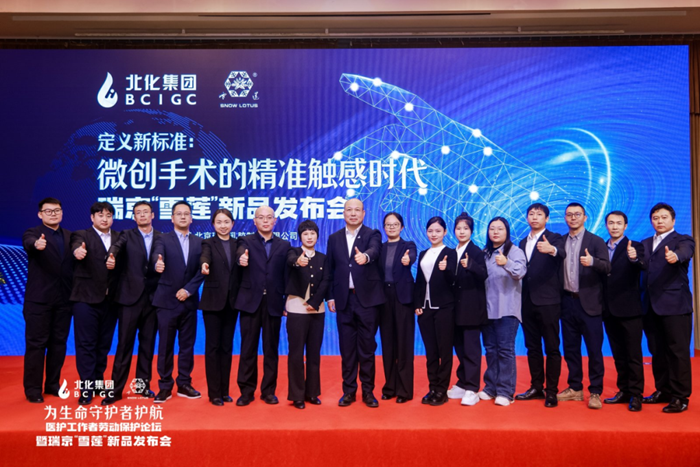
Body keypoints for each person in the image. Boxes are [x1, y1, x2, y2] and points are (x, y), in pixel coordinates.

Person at [326, 198, 384, 408]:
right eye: (349, 210)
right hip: (344, 300)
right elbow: (330, 269)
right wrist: (330, 296)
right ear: (343, 213)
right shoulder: (334, 238)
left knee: (367, 348)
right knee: (347, 349)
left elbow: (375, 250)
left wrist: (366, 257)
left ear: (363, 213)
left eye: (357, 210)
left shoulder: (372, 234)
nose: (353, 213)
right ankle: (349, 391)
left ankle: (368, 392)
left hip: (367, 301)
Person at [102, 201, 161, 406]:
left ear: (152, 215)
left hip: (152, 299)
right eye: (138, 213)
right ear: (134, 217)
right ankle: (116, 390)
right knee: (124, 345)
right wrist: (111, 256)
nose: (142, 215)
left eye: (146, 212)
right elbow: (116, 247)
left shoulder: (162, 237)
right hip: (128, 299)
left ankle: (142, 386)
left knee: (147, 346)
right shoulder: (126, 235)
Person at [641, 202, 695, 413]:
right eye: (655, 218)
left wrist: (676, 256)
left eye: (664, 217)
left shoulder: (683, 240)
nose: (659, 221)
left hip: (675, 306)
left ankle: (680, 397)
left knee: (677, 352)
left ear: (673, 220)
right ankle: (663, 390)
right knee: (657, 351)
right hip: (650, 306)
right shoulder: (645, 243)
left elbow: (685, 252)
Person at [234, 205, 290, 406]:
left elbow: (287, 275)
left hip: (273, 303)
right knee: (248, 348)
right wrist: (241, 258)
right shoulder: (245, 241)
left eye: (269, 217)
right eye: (261, 217)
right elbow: (240, 253)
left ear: (275, 221)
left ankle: (268, 391)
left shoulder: (284, 245)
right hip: (250, 302)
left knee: (271, 349)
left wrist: (286, 301)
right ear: (255, 221)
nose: (265, 221)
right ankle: (246, 391)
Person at [557, 202, 610, 410]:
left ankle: (595, 391)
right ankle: (575, 388)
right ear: (565, 218)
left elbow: (607, 267)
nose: (573, 218)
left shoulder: (595, 241)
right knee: (570, 348)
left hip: (590, 304)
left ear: (585, 217)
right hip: (566, 302)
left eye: (577, 214)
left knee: (594, 350)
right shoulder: (560, 241)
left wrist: (593, 262)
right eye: (569, 214)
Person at [151, 201, 204, 403]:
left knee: (187, 346)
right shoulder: (162, 239)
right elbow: (157, 254)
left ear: (191, 218)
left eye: (186, 214)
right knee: (165, 346)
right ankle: (164, 386)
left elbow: (202, 270)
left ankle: (184, 383)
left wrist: (189, 290)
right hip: (166, 301)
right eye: (178, 214)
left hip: (188, 302)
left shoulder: (200, 242)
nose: (183, 217)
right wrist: (157, 262)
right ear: (172, 218)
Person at [22, 197, 73, 403]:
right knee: (36, 345)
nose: (53, 214)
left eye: (57, 210)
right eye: (48, 211)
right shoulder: (33, 233)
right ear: (40, 214)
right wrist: (36, 244)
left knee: (58, 344)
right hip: (39, 300)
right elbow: (29, 244)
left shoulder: (70, 236)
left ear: (62, 212)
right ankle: (33, 389)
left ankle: (53, 384)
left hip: (64, 300)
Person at [515, 203, 566, 408]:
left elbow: (562, 253)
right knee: (532, 347)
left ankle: (551, 391)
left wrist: (551, 249)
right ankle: (536, 387)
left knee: (552, 347)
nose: (534, 217)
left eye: (539, 214)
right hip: (526, 302)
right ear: (527, 218)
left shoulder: (554, 238)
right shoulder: (522, 242)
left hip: (548, 302)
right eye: (531, 214)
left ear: (547, 218)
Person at [70, 201, 120, 405]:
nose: (105, 219)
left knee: (103, 344)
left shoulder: (119, 237)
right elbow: (75, 247)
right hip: (85, 299)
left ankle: (98, 382)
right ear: (92, 217)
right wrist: (78, 252)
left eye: (108, 215)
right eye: (100, 215)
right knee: (86, 344)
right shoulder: (81, 235)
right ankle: (86, 387)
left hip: (111, 300)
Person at [479, 217, 527, 407]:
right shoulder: (484, 253)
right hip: (487, 309)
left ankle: (506, 391)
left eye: (500, 228)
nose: (495, 232)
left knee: (505, 350)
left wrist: (506, 262)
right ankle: (491, 387)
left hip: (507, 309)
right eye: (492, 228)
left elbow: (520, 272)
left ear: (507, 231)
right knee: (491, 350)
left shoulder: (515, 251)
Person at [601, 210, 646, 412]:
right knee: (618, 354)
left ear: (625, 226)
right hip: (608, 310)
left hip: (630, 309)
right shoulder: (601, 247)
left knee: (633, 355)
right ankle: (624, 390)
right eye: (611, 223)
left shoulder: (635, 246)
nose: (614, 226)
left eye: (618, 223)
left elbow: (642, 265)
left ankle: (636, 394)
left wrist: (634, 258)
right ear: (606, 225)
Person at [285, 220, 329, 409]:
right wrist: (298, 261)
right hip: (296, 308)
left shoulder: (323, 258)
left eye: (312, 233)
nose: (309, 237)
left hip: (317, 310)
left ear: (317, 236)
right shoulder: (293, 252)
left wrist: (314, 301)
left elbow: (326, 281)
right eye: (305, 234)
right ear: (300, 236)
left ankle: (312, 393)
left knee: (314, 353)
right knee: (296, 354)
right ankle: (297, 395)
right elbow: (290, 260)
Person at [414, 216, 457, 407]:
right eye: (430, 231)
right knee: (430, 352)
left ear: (445, 232)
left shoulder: (450, 253)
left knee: (444, 352)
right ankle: (432, 387)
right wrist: (417, 303)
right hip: (425, 310)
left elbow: (455, 281)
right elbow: (419, 280)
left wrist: (446, 269)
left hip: (444, 308)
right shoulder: (423, 253)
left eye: (438, 231)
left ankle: (442, 390)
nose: (434, 234)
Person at [446, 212, 488, 406]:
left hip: (471, 309)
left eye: (465, 228)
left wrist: (471, 265)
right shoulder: (451, 252)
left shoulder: (476, 251)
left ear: (471, 231)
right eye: (458, 228)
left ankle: (472, 388)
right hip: (454, 309)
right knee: (460, 348)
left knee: (471, 350)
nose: (461, 232)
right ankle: (462, 382)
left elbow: (484, 274)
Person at [200, 209, 239, 407]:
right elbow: (204, 257)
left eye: (226, 222)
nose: (223, 225)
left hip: (232, 303)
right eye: (219, 222)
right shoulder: (208, 243)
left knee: (227, 347)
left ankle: (224, 391)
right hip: (213, 302)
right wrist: (204, 265)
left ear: (232, 224)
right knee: (213, 347)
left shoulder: (238, 244)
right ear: (213, 224)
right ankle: (214, 393)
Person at [377, 212, 417, 404]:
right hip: (384, 298)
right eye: (388, 224)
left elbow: (412, 256)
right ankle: (389, 387)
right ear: (384, 227)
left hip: (403, 299)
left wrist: (408, 260)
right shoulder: (380, 248)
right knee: (388, 344)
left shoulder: (408, 246)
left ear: (402, 227)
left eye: (395, 224)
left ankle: (404, 390)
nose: (391, 227)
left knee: (404, 345)